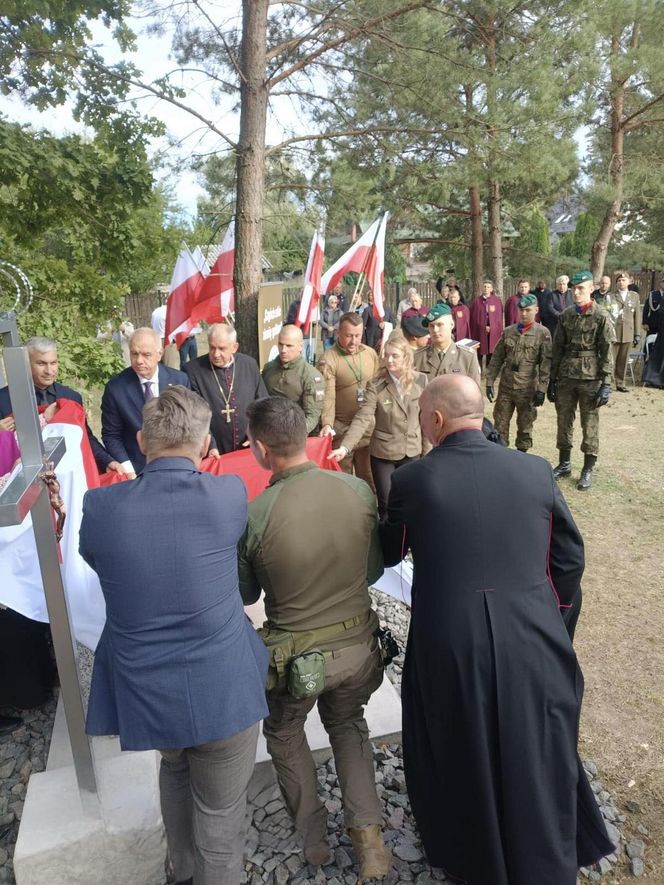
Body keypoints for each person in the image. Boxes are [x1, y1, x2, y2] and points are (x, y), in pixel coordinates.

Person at [379, 374, 614, 885]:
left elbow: (389, 552)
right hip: (532, 634)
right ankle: (546, 859)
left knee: (460, 746)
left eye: (421, 414)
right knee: (537, 746)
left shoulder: (413, 480)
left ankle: (475, 858)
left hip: (448, 642)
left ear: (436, 419)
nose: (420, 422)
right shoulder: (533, 471)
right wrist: (556, 619)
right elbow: (570, 558)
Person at [81, 386, 268, 885]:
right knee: (222, 828)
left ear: (141, 441)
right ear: (207, 443)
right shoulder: (229, 494)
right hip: (223, 687)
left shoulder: (100, 508)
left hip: (146, 689)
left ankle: (179, 870)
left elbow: (93, 557)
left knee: (177, 766)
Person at [237, 396, 392, 881]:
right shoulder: (357, 491)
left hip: (296, 659)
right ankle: (369, 840)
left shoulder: (256, 513)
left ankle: (313, 838)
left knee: (284, 732)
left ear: (262, 449)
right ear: (304, 436)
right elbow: (372, 570)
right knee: (348, 726)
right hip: (360, 648)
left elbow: (246, 591)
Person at [329, 333, 429, 518]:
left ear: (406, 357)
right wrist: (345, 446)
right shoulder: (376, 385)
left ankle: (408, 542)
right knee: (387, 504)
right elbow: (363, 417)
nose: (389, 360)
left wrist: (429, 452)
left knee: (412, 500)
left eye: (395, 356)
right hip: (384, 453)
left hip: (412, 451)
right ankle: (388, 543)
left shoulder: (421, 381)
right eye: (386, 355)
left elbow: (426, 419)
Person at [0, 336, 123, 476]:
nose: (49, 370)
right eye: (41, 363)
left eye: (53, 363)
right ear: (26, 364)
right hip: (22, 479)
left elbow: (85, 437)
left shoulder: (71, 397)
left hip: (66, 478)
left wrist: (107, 461)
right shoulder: (4, 399)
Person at [548, 270, 615, 491]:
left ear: (591, 289)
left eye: (581, 289)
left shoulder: (601, 316)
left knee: (590, 423)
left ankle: (587, 468)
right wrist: (551, 379)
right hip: (567, 376)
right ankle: (565, 463)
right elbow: (557, 349)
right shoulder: (566, 315)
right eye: (574, 289)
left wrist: (606, 385)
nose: (576, 293)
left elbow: (607, 353)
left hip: (590, 378)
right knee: (563, 420)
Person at [101, 327, 190, 477]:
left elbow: (190, 424)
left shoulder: (179, 381)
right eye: (134, 354)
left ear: (159, 354)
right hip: (137, 470)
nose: (139, 361)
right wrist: (127, 468)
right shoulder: (116, 388)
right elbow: (111, 435)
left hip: (177, 466)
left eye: (146, 355)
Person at [184, 323, 267, 455]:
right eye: (212, 347)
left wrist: (257, 433)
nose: (216, 354)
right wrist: (210, 445)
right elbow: (193, 414)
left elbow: (262, 402)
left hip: (249, 446)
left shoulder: (249, 364)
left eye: (221, 348)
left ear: (234, 347)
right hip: (214, 450)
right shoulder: (193, 370)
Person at [318, 312, 381, 489]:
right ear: (338, 333)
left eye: (357, 336)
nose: (353, 341)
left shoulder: (370, 354)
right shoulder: (329, 359)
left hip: (368, 428)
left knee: (368, 477)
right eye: (348, 336)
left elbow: (378, 388)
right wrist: (327, 424)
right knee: (343, 479)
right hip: (342, 428)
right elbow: (328, 395)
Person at [485, 294, 552, 452]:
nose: (523, 314)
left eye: (527, 310)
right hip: (506, 388)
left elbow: (545, 364)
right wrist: (489, 382)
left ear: (536, 310)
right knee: (500, 426)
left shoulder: (543, 333)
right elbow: (496, 359)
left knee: (525, 427)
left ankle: (521, 458)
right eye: (521, 310)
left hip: (527, 388)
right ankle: (501, 459)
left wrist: (542, 390)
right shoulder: (508, 332)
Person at [261, 325, 324, 433]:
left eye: (289, 346)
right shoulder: (268, 369)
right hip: (268, 431)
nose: (283, 350)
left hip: (295, 435)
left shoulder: (311, 376)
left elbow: (312, 417)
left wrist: (292, 437)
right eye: (281, 344)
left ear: (300, 346)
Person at [414, 303, 481, 387]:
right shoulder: (418, 357)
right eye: (431, 326)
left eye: (439, 325)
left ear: (451, 325)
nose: (435, 330)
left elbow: (474, 394)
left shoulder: (467, 357)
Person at [604, 271, 640, 392]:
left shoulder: (634, 296)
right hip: (614, 332)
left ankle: (620, 383)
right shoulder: (611, 296)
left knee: (623, 359)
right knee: (611, 359)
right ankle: (608, 383)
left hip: (628, 332)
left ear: (629, 281)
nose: (621, 282)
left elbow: (637, 316)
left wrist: (637, 334)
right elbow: (607, 314)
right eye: (619, 280)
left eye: (623, 280)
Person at [469, 280, 504, 370]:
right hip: (480, 330)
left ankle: (490, 371)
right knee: (480, 351)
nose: (486, 288)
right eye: (484, 286)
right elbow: (473, 317)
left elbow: (498, 317)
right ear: (482, 288)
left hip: (493, 331)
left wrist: (492, 327)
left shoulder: (497, 301)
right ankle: (479, 370)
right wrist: (482, 326)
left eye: (488, 287)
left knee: (491, 351)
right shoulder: (477, 301)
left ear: (491, 289)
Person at [642, 276, 664, 388]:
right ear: (661, 283)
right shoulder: (653, 294)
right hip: (653, 326)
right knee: (649, 349)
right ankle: (647, 370)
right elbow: (647, 309)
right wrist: (644, 322)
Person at [151, 300, 179, 369]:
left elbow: (152, 324)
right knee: (171, 367)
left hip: (156, 340)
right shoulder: (171, 312)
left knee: (158, 366)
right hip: (168, 341)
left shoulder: (156, 311)